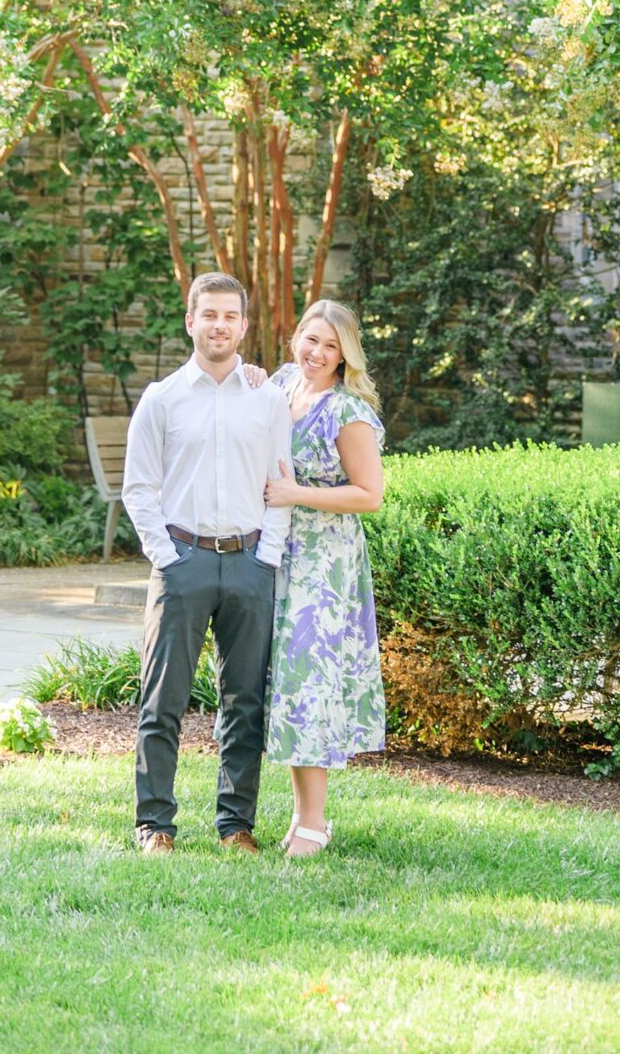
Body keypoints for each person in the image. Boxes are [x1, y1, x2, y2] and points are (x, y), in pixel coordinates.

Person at [120, 271, 293, 855]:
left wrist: (266, 555)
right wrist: (167, 557)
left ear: (244, 326)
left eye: (230, 316)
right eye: (208, 314)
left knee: (246, 701)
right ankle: (155, 825)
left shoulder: (267, 399)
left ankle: (235, 824)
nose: (219, 325)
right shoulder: (161, 399)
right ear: (190, 321)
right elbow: (138, 488)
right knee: (162, 698)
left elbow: (281, 484)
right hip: (183, 560)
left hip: (249, 563)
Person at [261, 298, 386, 858]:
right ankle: (298, 815)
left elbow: (369, 495)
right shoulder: (283, 385)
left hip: (323, 567)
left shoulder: (347, 411)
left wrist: (296, 494)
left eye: (330, 346)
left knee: (308, 682)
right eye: (311, 339)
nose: (316, 352)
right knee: (285, 686)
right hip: (275, 555)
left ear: (346, 355)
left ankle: (313, 821)